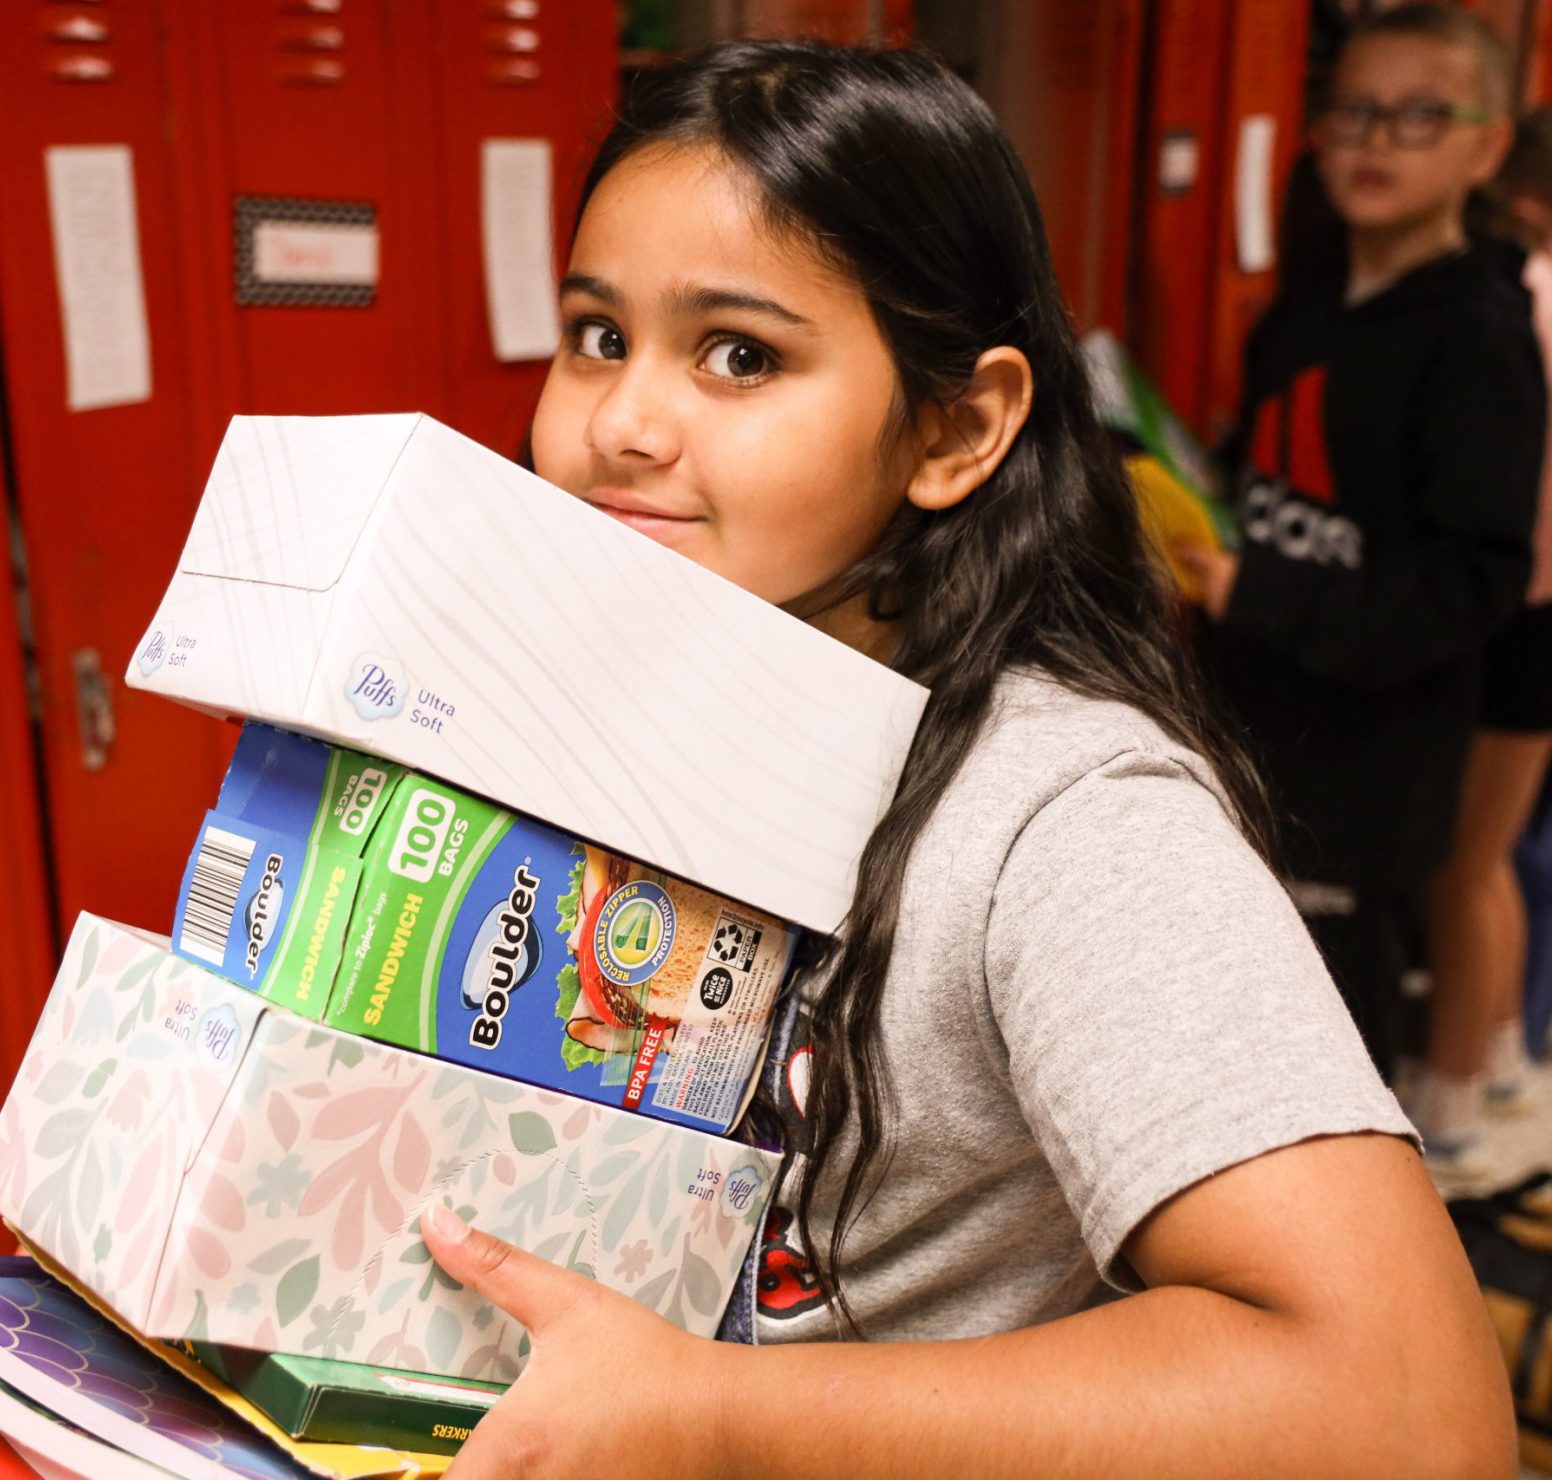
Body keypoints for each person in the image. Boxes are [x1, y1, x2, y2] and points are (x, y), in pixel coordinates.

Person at [416, 39, 1513, 1478]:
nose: (623, 422)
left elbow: (1410, 1412)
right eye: (598, 335)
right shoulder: (621, 709)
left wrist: (710, 1415)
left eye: (739, 355)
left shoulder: (1065, 824)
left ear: (957, 428)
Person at [1179, 5, 1543, 1089]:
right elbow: (1267, 481)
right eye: (1353, 113)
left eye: (1418, 116)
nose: (1375, 141)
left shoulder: (1478, 336)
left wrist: (1264, 594)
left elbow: (1472, 579)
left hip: (1368, 768)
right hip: (1253, 725)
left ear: (1485, 147)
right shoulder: (1306, 303)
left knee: (1326, 1051)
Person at [1419, 107, 1552, 1174]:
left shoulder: (1525, 300)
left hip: (1517, 612)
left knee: (1460, 867)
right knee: (1495, 855)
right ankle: (1501, 1059)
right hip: (1544, 616)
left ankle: (1450, 1109)